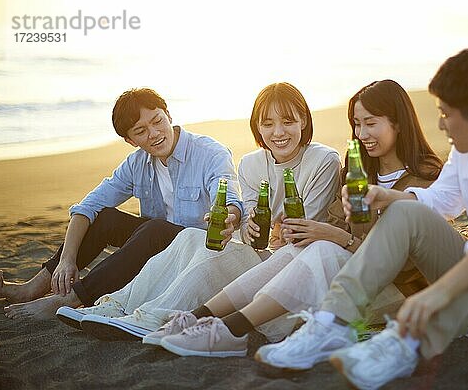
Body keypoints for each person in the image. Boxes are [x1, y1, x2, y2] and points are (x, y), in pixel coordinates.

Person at [254, 49, 468, 390]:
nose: (441, 123)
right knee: (405, 211)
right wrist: (388, 196)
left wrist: (438, 294)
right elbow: (440, 200)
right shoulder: (467, 148)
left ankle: (405, 342)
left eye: (446, 114)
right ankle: (330, 322)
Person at [149, 79, 443, 357]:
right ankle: (199, 317)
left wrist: (338, 237)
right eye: (356, 124)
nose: (361, 134)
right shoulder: (358, 173)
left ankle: (230, 329)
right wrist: (327, 234)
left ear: (399, 124)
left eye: (371, 123)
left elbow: (404, 264)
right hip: (353, 279)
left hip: (398, 292)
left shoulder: (424, 180)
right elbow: (337, 227)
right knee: (305, 248)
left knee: (323, 249)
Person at [56, 82, 342, 341]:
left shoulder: (323, 160)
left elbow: (307, 234)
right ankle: (118, 305)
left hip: (293, 265)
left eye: (289, 121)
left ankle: (154, 317)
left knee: (202, 245)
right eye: (268, 124)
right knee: (191, 237)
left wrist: (251, 225)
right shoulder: (252, 164)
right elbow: (250, 232)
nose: (278, 133)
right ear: (257, 127)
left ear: (304, 119)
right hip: (262, 255)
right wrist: (251, 227)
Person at [0, 88, 243, 319]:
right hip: (158, 251)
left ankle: (71, 298)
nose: (154, 134)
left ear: (168, 115)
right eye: (141, 130)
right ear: (130, 140)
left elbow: (230, 197)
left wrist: (229, 216)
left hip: (201, 252)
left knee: (155, 228)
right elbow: (86, 208)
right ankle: (33, 288)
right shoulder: (137, 163)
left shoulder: (211, 153)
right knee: (105, 218)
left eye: (157, 121)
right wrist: (67, 260)